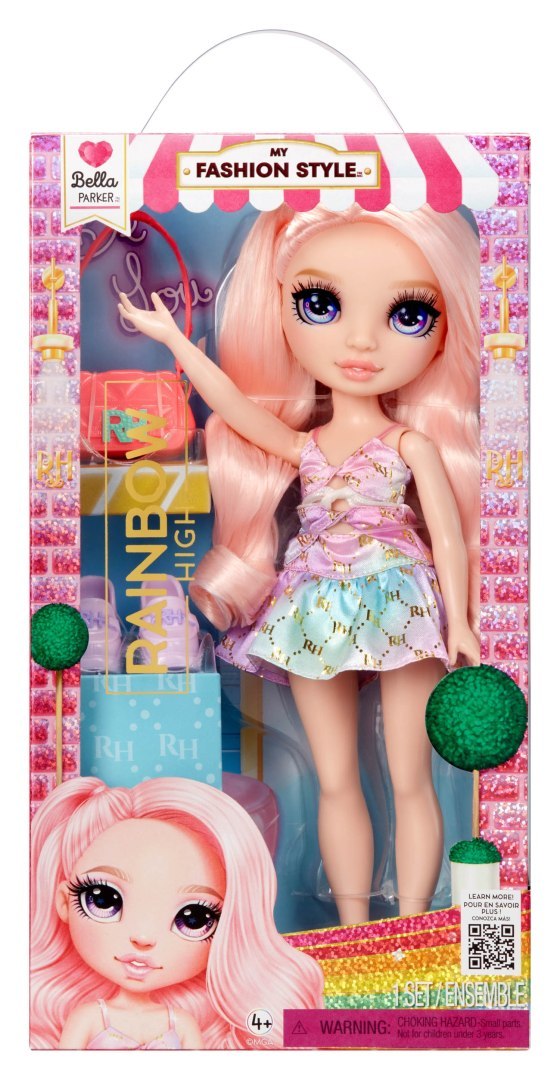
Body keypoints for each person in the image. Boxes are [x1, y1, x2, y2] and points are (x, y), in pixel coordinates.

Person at [118, 204, 480, 925]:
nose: (361, 341)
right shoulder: (305, 448)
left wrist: (462, 621)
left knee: (410, 778)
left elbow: (446, 537)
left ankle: (412, 927)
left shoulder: (411, 446)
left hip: (401, 602)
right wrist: (173, 338)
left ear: (444, 332)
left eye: (408, 314)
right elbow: (232, 403)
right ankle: (352, 932)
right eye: (321, 304)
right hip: (314, 605)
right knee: (336, 779)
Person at [30, 776, 323, 1049]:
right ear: (64, 902)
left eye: (193, 918)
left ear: (230, 929)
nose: (143, 937)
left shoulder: (181, 1023)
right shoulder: (89, 1017)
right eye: (105, 900)